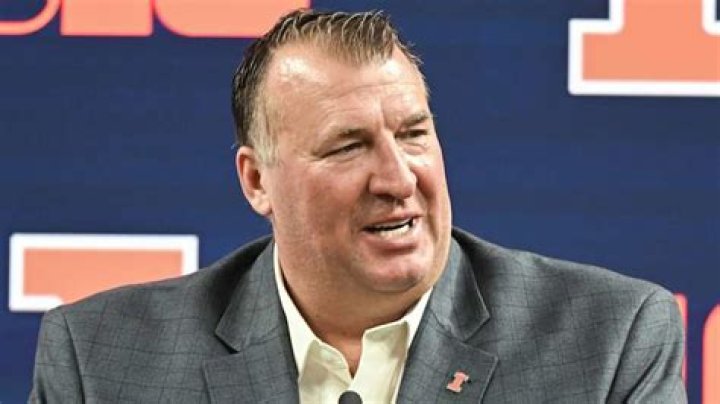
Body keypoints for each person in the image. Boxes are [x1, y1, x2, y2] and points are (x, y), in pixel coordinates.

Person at [30, 8, 686, 404]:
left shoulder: (609, 342)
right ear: (257, 181)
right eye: (348, 147)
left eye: (413, 134)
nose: (398, 178)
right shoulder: (102, 360)